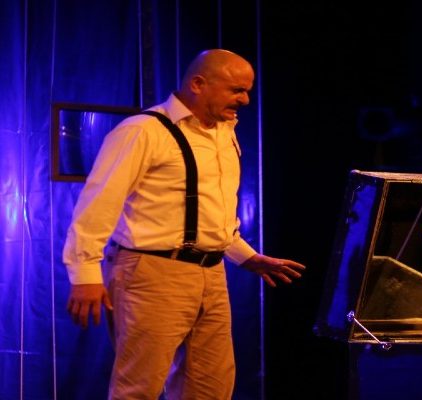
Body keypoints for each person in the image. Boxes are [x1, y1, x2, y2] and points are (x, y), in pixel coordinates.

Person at [63, 49, 306, 399]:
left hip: (211, 274)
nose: (245, 100)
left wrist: (245, 256)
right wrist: (85, 273)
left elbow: (210, 210)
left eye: (247, 90)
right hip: (152, 272)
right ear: (198, 84)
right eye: (236, 90)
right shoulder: (143, 130)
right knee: (139, 387)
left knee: (210, 387)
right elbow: (98, 205)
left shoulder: (224, 134)